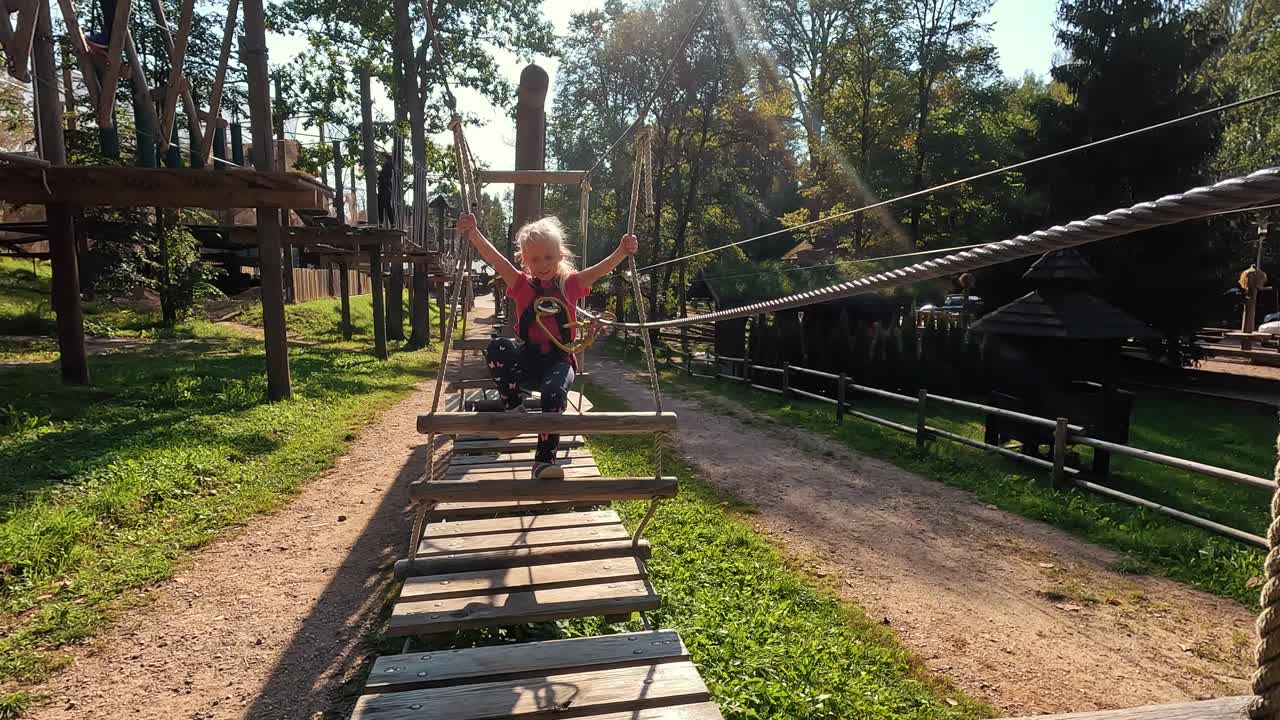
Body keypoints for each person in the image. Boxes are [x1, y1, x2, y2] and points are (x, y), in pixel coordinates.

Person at [455, 212, 638, 479]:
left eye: (548, 257)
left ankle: (544, 460)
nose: (543, 265)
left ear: (560, 255)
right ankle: (514, 407)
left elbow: (601, 269)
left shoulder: (571, 285)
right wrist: (473, 234)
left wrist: (622, 251)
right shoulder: (520, 284)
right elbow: (495, 258)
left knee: (554, 393)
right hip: (528, 361)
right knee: (499, 347)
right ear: (525, 261)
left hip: (558, 362)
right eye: (535, 259)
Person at [376, 153, 396, 226]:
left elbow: (383, 177)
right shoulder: (388, 165)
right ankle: (391, 222)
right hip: (386, 188)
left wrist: (378, 176)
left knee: (383, 205)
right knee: (386, 205)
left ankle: (383, 222)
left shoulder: (387, 165)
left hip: (384, 187)